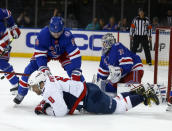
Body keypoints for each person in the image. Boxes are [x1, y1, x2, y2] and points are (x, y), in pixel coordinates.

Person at [13, 16, 84, 104]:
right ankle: (21, 93)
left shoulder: (67, 35)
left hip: (63, 54)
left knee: (73, 71)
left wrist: (76, 69)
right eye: (54, 32)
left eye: (59, 32)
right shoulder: (43, 34)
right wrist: (43, 67)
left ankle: (85, 90)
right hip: (45, 54)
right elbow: (40, 54)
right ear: (49, 28)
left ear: (63, 29)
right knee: (28, 70)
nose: (56, 34)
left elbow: (75, 54)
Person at [28, 70, 159, 116]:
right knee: (116, 101)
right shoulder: (48, 80)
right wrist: (46, 103)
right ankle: (137, 91)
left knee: (118, 107)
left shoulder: (49, 89)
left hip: (90, 99)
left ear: (41, 83)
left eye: (34, 87)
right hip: (89, 90)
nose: (33, 90)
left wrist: (46, 110)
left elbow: (61, 111)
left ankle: (144, 96)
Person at [0, 8, 21, 94]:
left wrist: (13, 27)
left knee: (2, 61)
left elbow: (7, 14)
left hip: (3, 37)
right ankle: (16, 83)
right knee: (2, 62)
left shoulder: (1, 12)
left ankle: (16, 83)